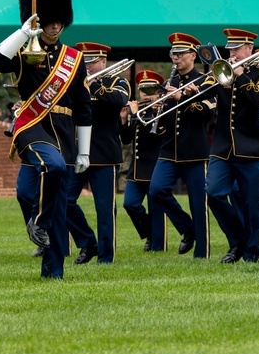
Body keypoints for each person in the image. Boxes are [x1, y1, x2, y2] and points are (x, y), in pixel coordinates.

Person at [0, 0, 92, 280]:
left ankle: (53, 272)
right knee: (54, 168)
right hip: (32, 127)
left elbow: (84, 108)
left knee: (59, 200)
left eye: (59, 20)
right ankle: (39, 222)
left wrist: (84, 150)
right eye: (50, 19)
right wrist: (23, 31)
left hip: (62, 131)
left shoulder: (74, 59)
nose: (55, 25)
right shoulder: (23, 49)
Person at [204, 28, 259, 263]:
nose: (231, 52)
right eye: (229, 48)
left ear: (249, 49)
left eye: (236, 48)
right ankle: (237, 242)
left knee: (251, 202)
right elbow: (206, 92)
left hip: (250, 147)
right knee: (213, 192)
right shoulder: (222, 70)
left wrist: (241, 74)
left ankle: (252, 252)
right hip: (223, 147)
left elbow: (258, 102)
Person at [147, 32, 214, 257]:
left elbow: (206, 112)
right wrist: (159, 108)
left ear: (192, 55)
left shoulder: (205, 81)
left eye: (180, 54)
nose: (175, 58)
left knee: (198, 203)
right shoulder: (169, 83)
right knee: (156, 190)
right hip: (169, 149)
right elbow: (167, 119)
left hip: (194, 150)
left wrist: (182, 99)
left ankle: (202, 253)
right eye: (173, 54)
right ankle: (187, 229)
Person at [65, 42, 130, 264]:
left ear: (103, 62)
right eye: (85, 62)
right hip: (76, 154)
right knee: (64, 201)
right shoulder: (75, 83)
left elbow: (120, 100)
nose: (88, 66)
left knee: (104, 209)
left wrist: (93, 86)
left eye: (92, 62)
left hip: (104, 155)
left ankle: (106, 257)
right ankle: (87, 242)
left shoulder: (117, 82)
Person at [120, 70, 164, 251]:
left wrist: (136, 114)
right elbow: (126, 139)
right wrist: (124, 120)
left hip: (155, 168)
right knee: (129, 203)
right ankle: (150, 232)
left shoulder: (163, 111)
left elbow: (154, 134)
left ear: (159, 93)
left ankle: (158, 244)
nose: (145, 95)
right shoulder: (139, 113)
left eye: (150, 90)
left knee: (156, 209)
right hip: (137, 169)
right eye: (143, 91)